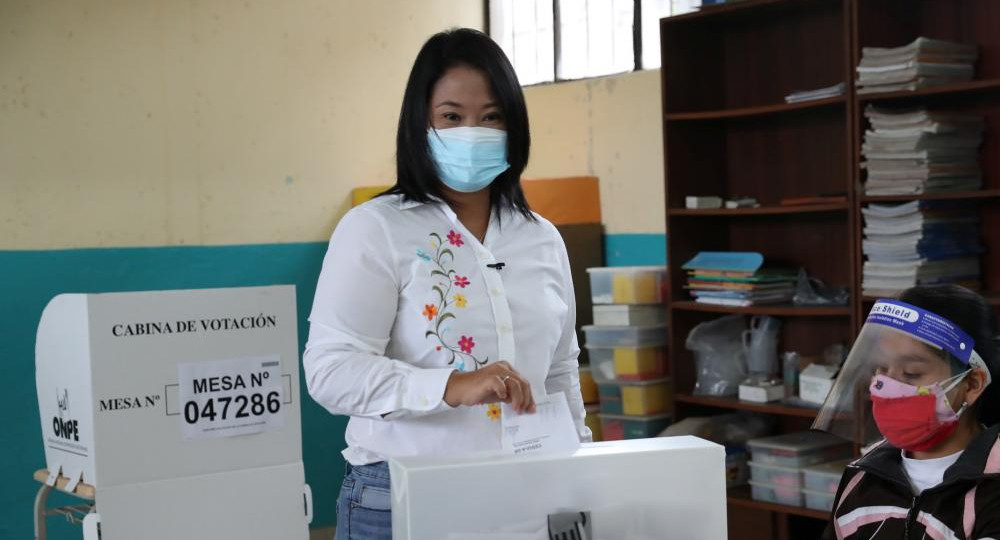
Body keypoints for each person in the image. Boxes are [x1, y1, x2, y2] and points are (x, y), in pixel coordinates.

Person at [303, 28, 591, 540]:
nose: (473, 132)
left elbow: (562, 372)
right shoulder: (376, 228)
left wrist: (582, 470)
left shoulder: (542, 238)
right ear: (421, 124)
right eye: (452, 117)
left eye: (492, 117)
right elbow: (330, 371)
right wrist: (450, 387)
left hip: (527, 495)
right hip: (400, 496)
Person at [817, 284, 1000, 539]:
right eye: (881, 368)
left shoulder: (991, 490)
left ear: (971, 385)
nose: (886, 386)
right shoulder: (862, 478)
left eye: (912, 373)